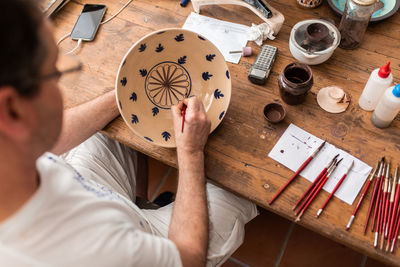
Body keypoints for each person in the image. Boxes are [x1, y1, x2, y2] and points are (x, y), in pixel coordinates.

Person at [0, 0, 258, 266]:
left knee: (103, 132)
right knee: (240, 188)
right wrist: (190, 152)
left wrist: (126, 94)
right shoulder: (93, 248)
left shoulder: (11, 146)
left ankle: (141, 203)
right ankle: (150, 210)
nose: (59, 80)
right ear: (12, 108)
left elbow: (51, 141)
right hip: (146, 242)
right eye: (54, 73)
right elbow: (188, 258)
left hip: (86, 190)